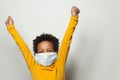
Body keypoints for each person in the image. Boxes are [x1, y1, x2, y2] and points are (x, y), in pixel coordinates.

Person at [5, 6, 80, 80]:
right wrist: (11, 28)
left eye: (49, 50)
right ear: (36, 54)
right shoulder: (34, 66)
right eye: (41, 51)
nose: (45, 54)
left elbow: (66, 43)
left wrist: (74, 18)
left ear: (55, 52)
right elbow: (23, 47)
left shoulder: (59, 65)